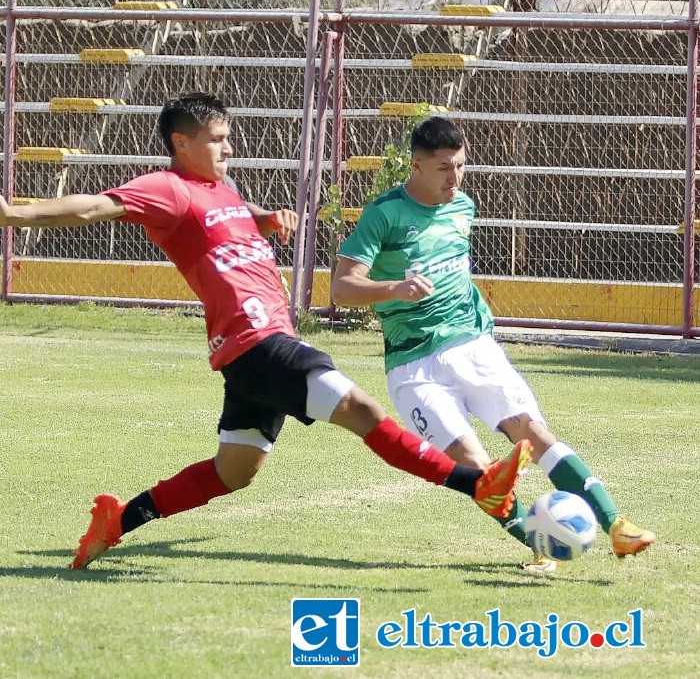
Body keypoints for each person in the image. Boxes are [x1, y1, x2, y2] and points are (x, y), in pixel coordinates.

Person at [0, 93, 533, 570]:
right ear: (181, 143)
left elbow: (233, 215)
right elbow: (96, 206)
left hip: (248, 353)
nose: (229, 149)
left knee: (232, 473)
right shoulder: (167, 189)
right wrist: (16, 215)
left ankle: (118, 521)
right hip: (262, 343)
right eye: (218, 140)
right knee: (364, 411)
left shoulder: (220, 190)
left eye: (229, 139)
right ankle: (477, 483)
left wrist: (267, 220)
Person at [331, 116, 656, 573]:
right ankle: (538, 543)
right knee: (476, 467)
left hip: (473, 345)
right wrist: (394, 290)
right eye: (444, 167)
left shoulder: (463, 206)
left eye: (461, 166)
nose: (455, 177)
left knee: (533, 432)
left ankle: (617, 525)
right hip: (413, 365)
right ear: (416, 165)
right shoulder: (383, 214)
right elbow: (341, 289)